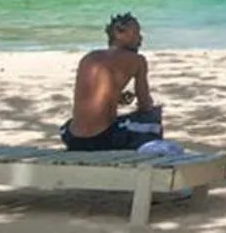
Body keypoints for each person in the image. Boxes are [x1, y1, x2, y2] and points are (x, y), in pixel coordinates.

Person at [59, 13, 165, 151]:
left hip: (72, 137)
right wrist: (150, 109)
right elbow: (144, 105)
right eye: (136, 33)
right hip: (101, 138)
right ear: (119, 34)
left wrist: (115, 97)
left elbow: (90, 96)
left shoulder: (89, 57)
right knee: (152, 120)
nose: (140, 38)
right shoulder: (137, 60)